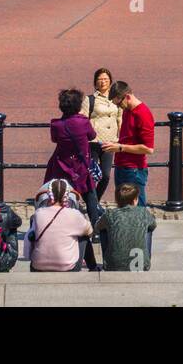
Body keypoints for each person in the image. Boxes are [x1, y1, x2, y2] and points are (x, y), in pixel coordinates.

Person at [45, 88, 102, 237]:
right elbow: (92, 135)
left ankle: (65, 227)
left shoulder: (56, 125)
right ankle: (95, 231)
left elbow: (54, 139)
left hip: (63, 166)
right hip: (81, 166)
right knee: (90, 198)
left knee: (64, 197)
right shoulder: (83, 122)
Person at [26, 178, 94, 272]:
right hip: (67, 267)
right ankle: (93, 267)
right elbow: (90, 231)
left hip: (38, 266)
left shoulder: (38, 213)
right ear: (67, 195)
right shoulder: (73, 214)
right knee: (84, 236)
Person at [105, 81, 154, 207]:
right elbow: (129, 138)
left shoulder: (143, 114)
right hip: (121, 166)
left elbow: (148, 149)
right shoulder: (127, 110)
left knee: (137, 210)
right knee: (123, 208)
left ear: (127, 97)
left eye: (119, 104)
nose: (119, 107)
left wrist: (120, 147)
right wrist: (116, 144)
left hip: (134, 170)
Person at [96, 182, 157, 272]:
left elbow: (97, 227)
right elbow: (153, 225)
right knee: (148, 229)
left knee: (103, 230)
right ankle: (144, 261)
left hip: (113, 266)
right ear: (135, 200)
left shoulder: (110, 214)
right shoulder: (143, 212)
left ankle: (110, 260)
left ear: (117, 200)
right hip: (140, 265)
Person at [83, 68, 122, 199]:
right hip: (93, 142)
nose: (103, 82)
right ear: (95, 83)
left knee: (105, 175)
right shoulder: (89, 100)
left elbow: (120, 118)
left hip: (110, 141)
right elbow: (83, 119)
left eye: (106, 79)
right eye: (100, 79)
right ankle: (92, 204)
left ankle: (95, 200)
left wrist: (121, 138)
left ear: (110, 81)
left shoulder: (116, 99)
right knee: (92, 175)